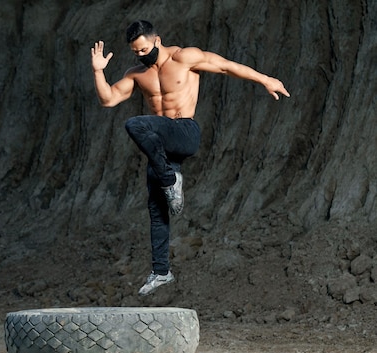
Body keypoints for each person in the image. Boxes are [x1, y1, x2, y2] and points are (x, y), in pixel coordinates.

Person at [91, 20, 290, 296]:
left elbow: (225, 66)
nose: (140, 55)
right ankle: (161, 271)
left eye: (144, 49)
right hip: (160, 145)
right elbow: (108, 99)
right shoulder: (136, 74)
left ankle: (171, 179)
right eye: (135, 52)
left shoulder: (184, 57)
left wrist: (265, 79)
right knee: (156, 207)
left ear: (157, 40)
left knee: (135, 124)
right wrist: (98, 72)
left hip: (184, 131)